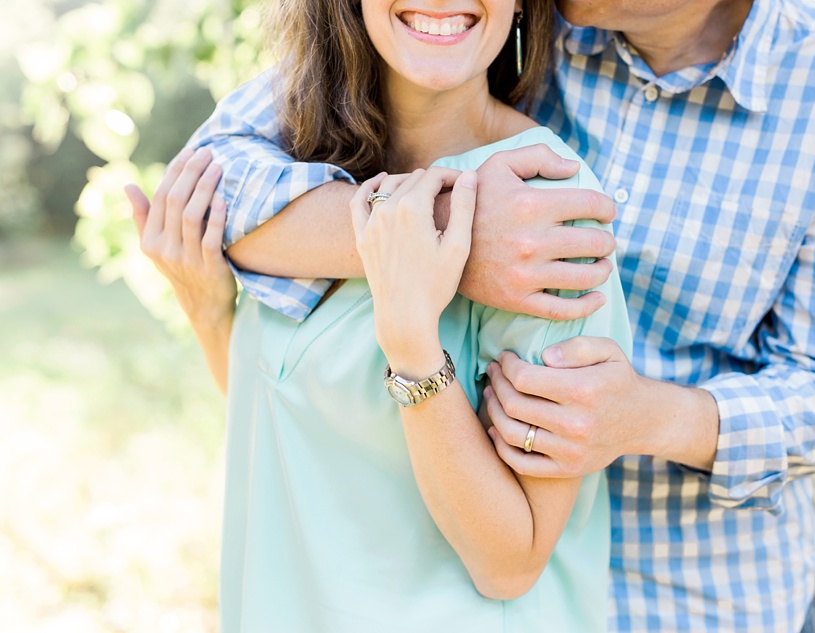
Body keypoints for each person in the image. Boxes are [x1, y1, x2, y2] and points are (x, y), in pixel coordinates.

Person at [134, 0, 815, 631]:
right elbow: (218, 180)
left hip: (691, 595)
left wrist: (650, 416)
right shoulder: (478, 40)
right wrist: (449, 236)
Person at [131, 0, 633, 631]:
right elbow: (294, 426)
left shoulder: (539, 214)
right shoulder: (295, 172)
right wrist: (208, 313)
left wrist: (412, 345)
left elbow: (510, 561)